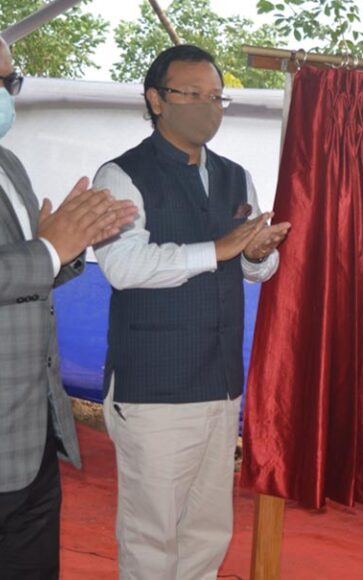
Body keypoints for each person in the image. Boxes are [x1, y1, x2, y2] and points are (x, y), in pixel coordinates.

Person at [0, 15, 135, 579]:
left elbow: (29, 279)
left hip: (29, 440)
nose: (3, 95)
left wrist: (68, 249)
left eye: (10, 82)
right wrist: (47, 249)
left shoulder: (4, 163)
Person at [93, 44, 290, 580]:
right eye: (193, 94)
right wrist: (218, 250)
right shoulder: (120, 175)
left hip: (220, 382)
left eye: (217, 97)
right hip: (154, 387)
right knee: (152, 532)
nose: (209, 107)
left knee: (208, 527)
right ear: (156, 100)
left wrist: (254, 254)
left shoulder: (234, 175)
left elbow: (256, 272)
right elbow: (123, 266)